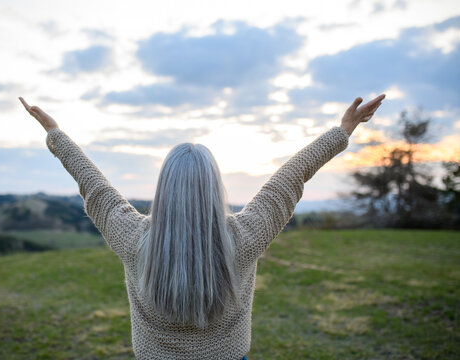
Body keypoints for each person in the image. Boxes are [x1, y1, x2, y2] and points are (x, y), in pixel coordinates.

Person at [19, 94, 385, 359]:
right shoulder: (244, 237)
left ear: (163, 189)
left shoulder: (134, 238)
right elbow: (289, 179)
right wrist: (342, 131)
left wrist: (56, 135)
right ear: (215, 188)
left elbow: (95, 187)